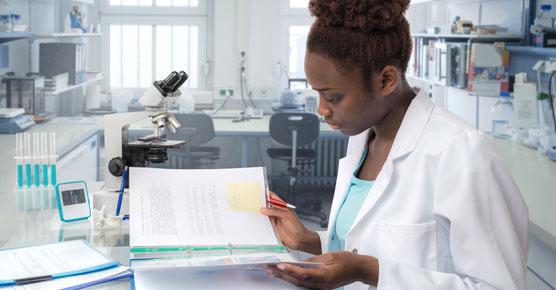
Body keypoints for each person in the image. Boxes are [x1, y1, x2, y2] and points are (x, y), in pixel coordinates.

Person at [260, 0, 529, 289]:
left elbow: (499, 286)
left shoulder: (461, 152)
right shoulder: (362, 140)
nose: (322, 110)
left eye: (334, 97)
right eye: (318, 95)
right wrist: (309, 241)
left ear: (386, 80)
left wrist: (369, 271)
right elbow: (367, 242)